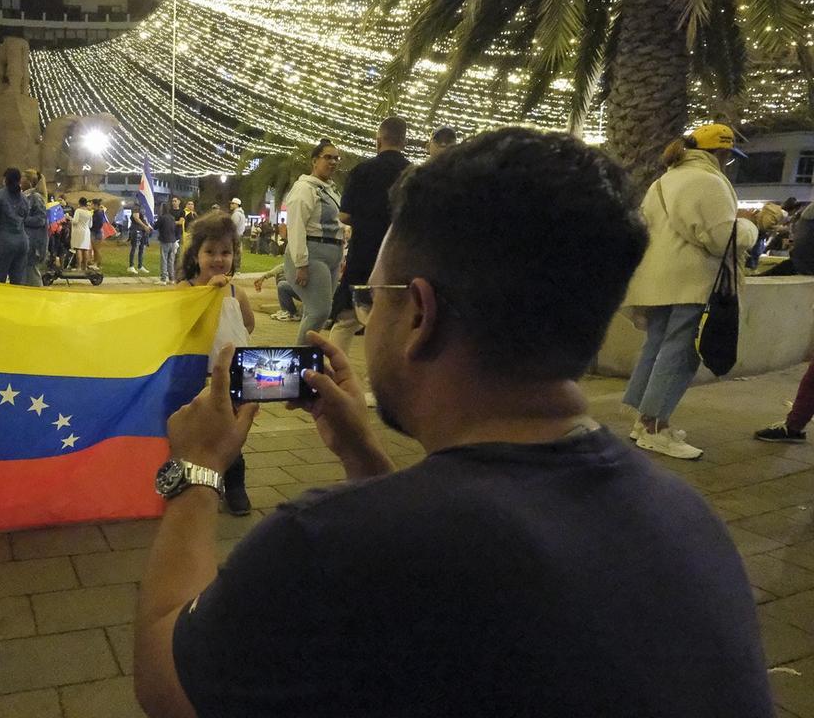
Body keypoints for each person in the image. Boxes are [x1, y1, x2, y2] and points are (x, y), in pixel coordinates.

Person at [134, 127, 771, 718]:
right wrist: (366, 458)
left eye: (372, 297)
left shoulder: (326, 545)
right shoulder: (692, 523)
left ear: (419, 314)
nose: (369, 315)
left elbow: (166, 680)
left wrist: (197, 473)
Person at [622, 124, 762, 460]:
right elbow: (720, 237)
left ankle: (642, 423)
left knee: (656, 348)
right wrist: (749, 227)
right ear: (721, 153)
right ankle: (656, 428)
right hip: (691, 281)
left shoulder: (663, 181)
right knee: (680, 354)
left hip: (658, 282)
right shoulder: (706, 181)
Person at [177, 214, 255, 515]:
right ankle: (196, 485)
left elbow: (247, 325)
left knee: (230, 431)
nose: (218, 259)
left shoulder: (237, 293)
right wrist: (207, 292)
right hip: (195, 376)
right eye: (210, 252)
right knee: (196, 431)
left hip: (231, 376)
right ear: (196, 255)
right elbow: (182, 324)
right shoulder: (185, 289)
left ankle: (235, 485)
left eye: (226, 252)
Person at [329, 116, 410, 359]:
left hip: (364, 253)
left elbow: (344, 215)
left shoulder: (362, 170)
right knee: (395, 323)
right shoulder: (414, 173)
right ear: (404, 142)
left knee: (346, 321)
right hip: (399, 257)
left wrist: (366, 220)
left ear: (378, 141)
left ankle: (335, 376)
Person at [283, 139, 346, 342]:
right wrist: (301, 263)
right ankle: (300, 358)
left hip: (332, 255)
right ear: (314, 161)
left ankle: (305, 359)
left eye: (336, 158)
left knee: (317, 312)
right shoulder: (304, 188)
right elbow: (296, 227)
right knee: (319, 312)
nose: (333, 162)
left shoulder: (331, 189)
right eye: (328, 157)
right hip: (312, 254)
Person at [0, 167, 30, 284]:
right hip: (23, 242)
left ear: (5, 180)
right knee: (18, 281)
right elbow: (26, 217)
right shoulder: (24, 198)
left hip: (5, 242)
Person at [20, 169, 48, 286]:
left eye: (22, 179)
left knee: (32, 273)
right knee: (24, 273)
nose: (20, 181)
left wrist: (21, 220)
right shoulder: (25, 196)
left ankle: (38, 297)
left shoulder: (35, 197)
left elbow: (40, 219)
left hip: (33, 242)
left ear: (29, 181)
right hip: (25, 239)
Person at [154, 198, 180, 285]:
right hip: (173, 241)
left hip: (165, 240)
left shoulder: (162, 218)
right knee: (171, 260)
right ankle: (172, 279)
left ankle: (163, 279)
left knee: (164, 259)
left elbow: (155, 227)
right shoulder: (172, 217)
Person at [128, 203, 152, 274]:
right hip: (136, 230)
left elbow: (144, 219)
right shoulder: (136, 207)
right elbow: (136, 218)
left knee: (142, 248)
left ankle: (140, 266)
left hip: (142, 231)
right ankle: (131, 266)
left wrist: (148, 226)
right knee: (134, 248)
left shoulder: (142, 207)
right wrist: (145, 226)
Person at [70, 197, 94, 269]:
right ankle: (85, 266)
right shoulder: (89, 212)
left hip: (79, 231)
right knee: (85, 249)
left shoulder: (78, 211)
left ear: (79, 203)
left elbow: (75, 221)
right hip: (86, 232)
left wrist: (70, 218)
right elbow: (90, 225)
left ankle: (79, 267)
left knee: (78, 249)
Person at [91, 199, 108, 267]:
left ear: (95, 205)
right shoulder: (96, 212)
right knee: (95, 249)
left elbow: (99, 223)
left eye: (92, 204)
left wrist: (93, 228)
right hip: (96, 232)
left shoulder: (99, 213)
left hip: (96, 233)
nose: (91, 205)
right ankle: (95, 262)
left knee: (97, 249)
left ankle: (97, 263)